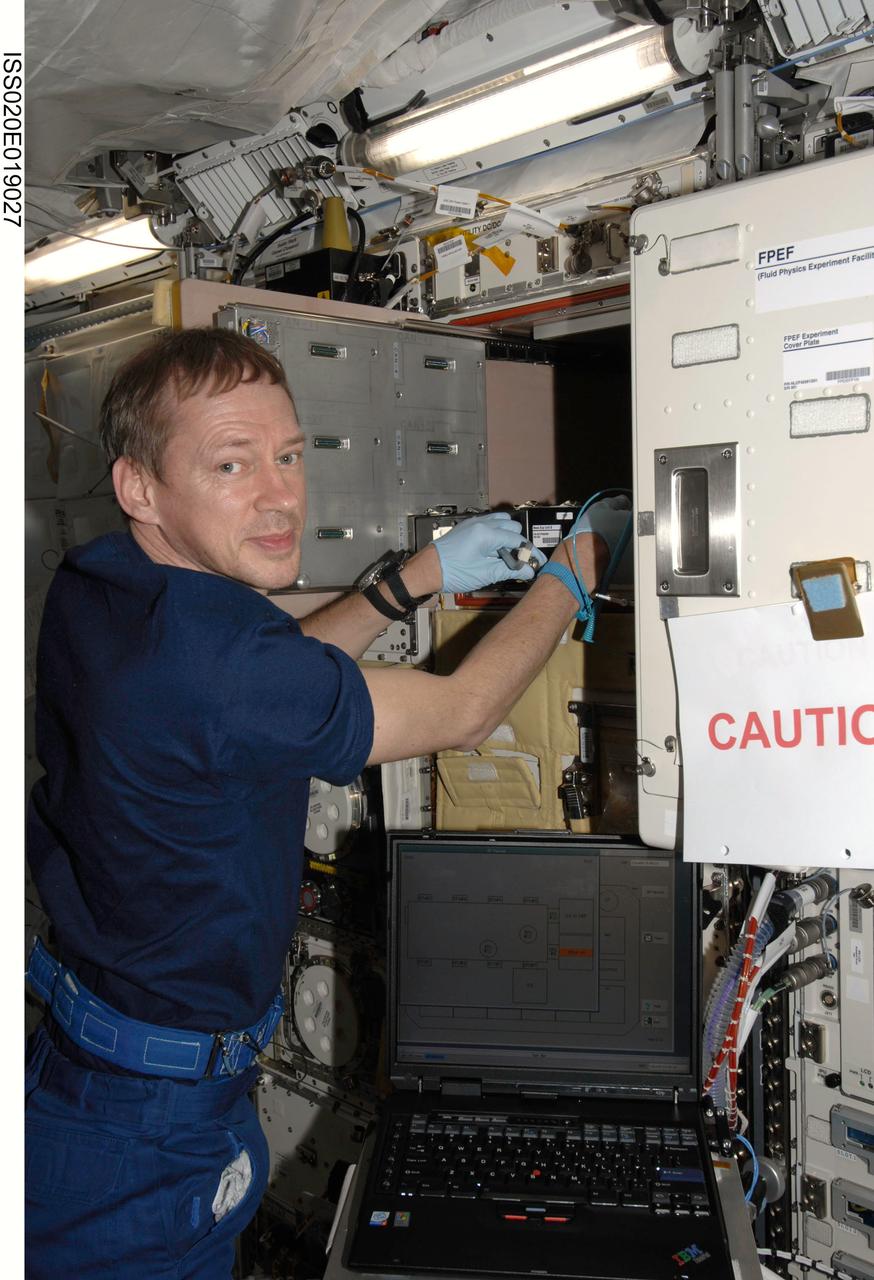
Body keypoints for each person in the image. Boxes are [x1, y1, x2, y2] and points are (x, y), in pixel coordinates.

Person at [25, 326, 630, 1279]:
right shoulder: (220, 667)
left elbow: (277, 676)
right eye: (232, 465)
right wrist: (576, 569)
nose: (280, 495)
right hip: (146, 1132)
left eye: (290, 455)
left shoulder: (100, 585)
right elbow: (466, 712)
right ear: (139, 487)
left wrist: (420, 575)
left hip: (84, 1057)